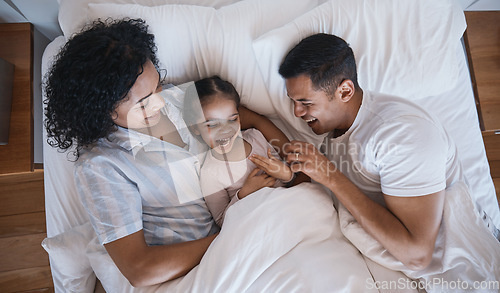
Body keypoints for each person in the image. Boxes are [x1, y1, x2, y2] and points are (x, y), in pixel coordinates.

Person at [43, 18, 290, 287]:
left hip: (237, 229)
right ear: (103, 110)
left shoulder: (174, 100)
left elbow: (248, 119)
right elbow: (140, 269)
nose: (160, 101)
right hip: (182, 270)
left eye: (157, 85)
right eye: (144, 102)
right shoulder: (102, 166)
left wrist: (294, 166)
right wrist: (231, 239)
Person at [252, 33, 498, 272]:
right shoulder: (336, 131)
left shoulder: (402, 135)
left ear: (345, 91)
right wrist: (252, 120)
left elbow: (418, 255)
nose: (296, 112)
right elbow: (309, 179)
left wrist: (330, 176)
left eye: (305, 103)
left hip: (458, 271)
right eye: (293, 101)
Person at [183, 76, 294, 227]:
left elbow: (289, 181)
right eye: (213, 125)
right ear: (195, 128)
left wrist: (286, 174)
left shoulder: (257, 137)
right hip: (257, 225)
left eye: (232, 120)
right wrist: (243, 194)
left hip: (287, 210)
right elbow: (222, 221)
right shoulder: (210, 173)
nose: (225, 130)